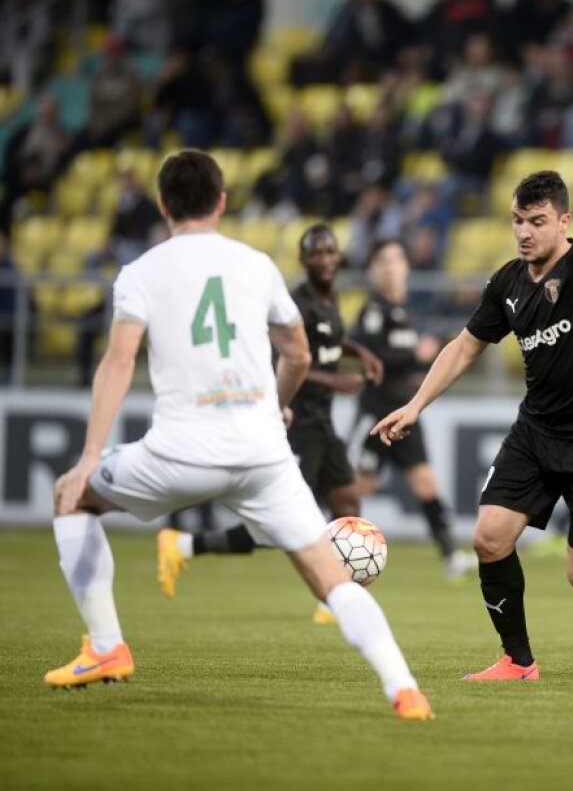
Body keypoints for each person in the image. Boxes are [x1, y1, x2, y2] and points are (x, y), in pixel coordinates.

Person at [43, 150, 432, 720]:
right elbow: (297, 354)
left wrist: (90, 456)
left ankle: (105, 647)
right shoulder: (257, 265)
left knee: (69, 496)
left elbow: (119, 362)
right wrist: (273, 406)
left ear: (162, 205)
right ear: (222, 202)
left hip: (179, 452)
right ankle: (404, 689)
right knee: (332, 577)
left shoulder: (142, 273)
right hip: (263, 455)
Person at [371, 124, 573, 681]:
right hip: (536, 432)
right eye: (518, 220)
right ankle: (519, 661)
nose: (524, 232)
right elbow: (466, 346)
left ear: (563, 222)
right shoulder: (507, 283)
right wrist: (416, 405)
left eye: (537, 221)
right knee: (488, 538)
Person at [156, 224, 384, 618]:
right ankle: (183, 546)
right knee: (281, 526)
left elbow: (325, 341)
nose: (325, 259)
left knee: (347, 502)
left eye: (331, 251)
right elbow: (280, 361)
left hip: (323, 422)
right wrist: (336, 378)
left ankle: (333, 594)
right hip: (294, 424)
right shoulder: (296, 304)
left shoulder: (329, 300)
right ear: (303, 260)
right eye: (316, 253)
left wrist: (357, 351)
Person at [351, 240, 476, 581]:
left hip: (405, 413)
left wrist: (412, 371)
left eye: (396, 259)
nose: (391, 267)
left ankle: (451, 556)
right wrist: (414, 357)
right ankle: (332, 555)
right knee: (355, 491)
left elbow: (397, 359)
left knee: (426, 485)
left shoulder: (403, 310)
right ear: (373, 271)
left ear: (406, 267)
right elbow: (365, 352)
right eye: (383, 261)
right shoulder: (374, 309)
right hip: (377, 415)